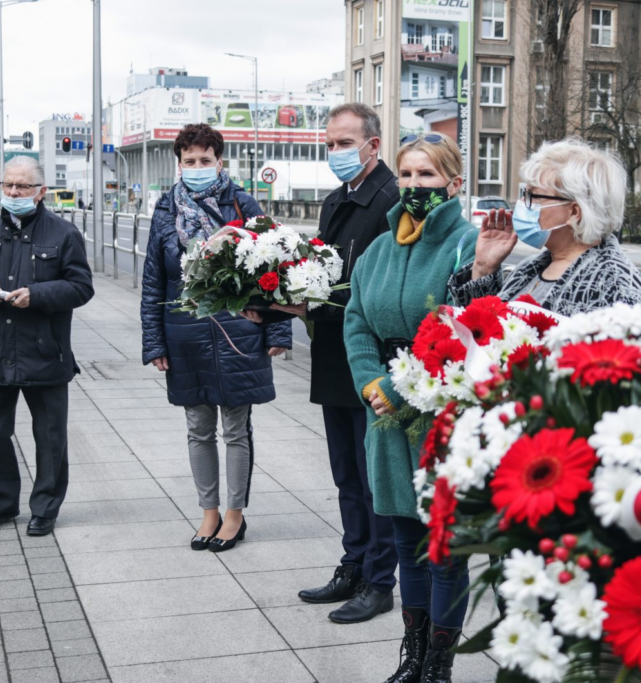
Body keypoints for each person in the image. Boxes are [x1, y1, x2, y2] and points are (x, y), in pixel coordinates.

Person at [345, 134, 477, 683]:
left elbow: (461, 330)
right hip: (387, 419)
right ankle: (413, 655)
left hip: (444, 415)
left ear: (454, 183)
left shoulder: (466, 245)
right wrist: (373, 386)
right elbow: (356, 323)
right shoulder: (378, 250)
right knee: (405, 541)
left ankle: (439, 667)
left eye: (428, 175)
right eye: (406, 175)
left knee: (444, 546)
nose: (415, 186)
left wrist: (396, 390)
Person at [141, 123, 291, 554]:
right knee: (197, 427)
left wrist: (277, 329)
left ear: (220, 162)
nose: (198, 167)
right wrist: (154, 342)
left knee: (236, 428)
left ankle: (235, 515)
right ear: (179, 164)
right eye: (190, 161)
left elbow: (275, 269)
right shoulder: (166, 208)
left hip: (239, 330)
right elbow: (154, 278)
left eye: (206, 160)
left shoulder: (243, 203)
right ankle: (208, 511)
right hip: (184, 331)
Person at [286, 104, 401, 625]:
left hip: (372, 358)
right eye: (329, 143)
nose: (335, 152)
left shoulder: (391, 199)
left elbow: (383, 288)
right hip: (333, 354)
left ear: (372, 145)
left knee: (375, 475)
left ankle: (380, 581)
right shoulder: (335, 200)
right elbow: (323, 274)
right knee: (346, 474)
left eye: (344, 143)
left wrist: (319, 303)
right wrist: (289, 299)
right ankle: (353, 563)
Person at [0, 157, 94, 536]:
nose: (14, 192)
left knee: (49, 437)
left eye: (23, 187)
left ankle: (45, 508)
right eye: (9, 186)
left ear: (41, 192)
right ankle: (0, 504)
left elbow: (82, 287)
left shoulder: (64, 234)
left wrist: (37, 294)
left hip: (45, 352)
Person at [449, 138, 641, 314]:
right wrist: (483, 268)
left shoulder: (614, 283)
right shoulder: (529, 268)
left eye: (532, 196)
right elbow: (480, 331)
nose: (521, 203)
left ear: (574, 211)